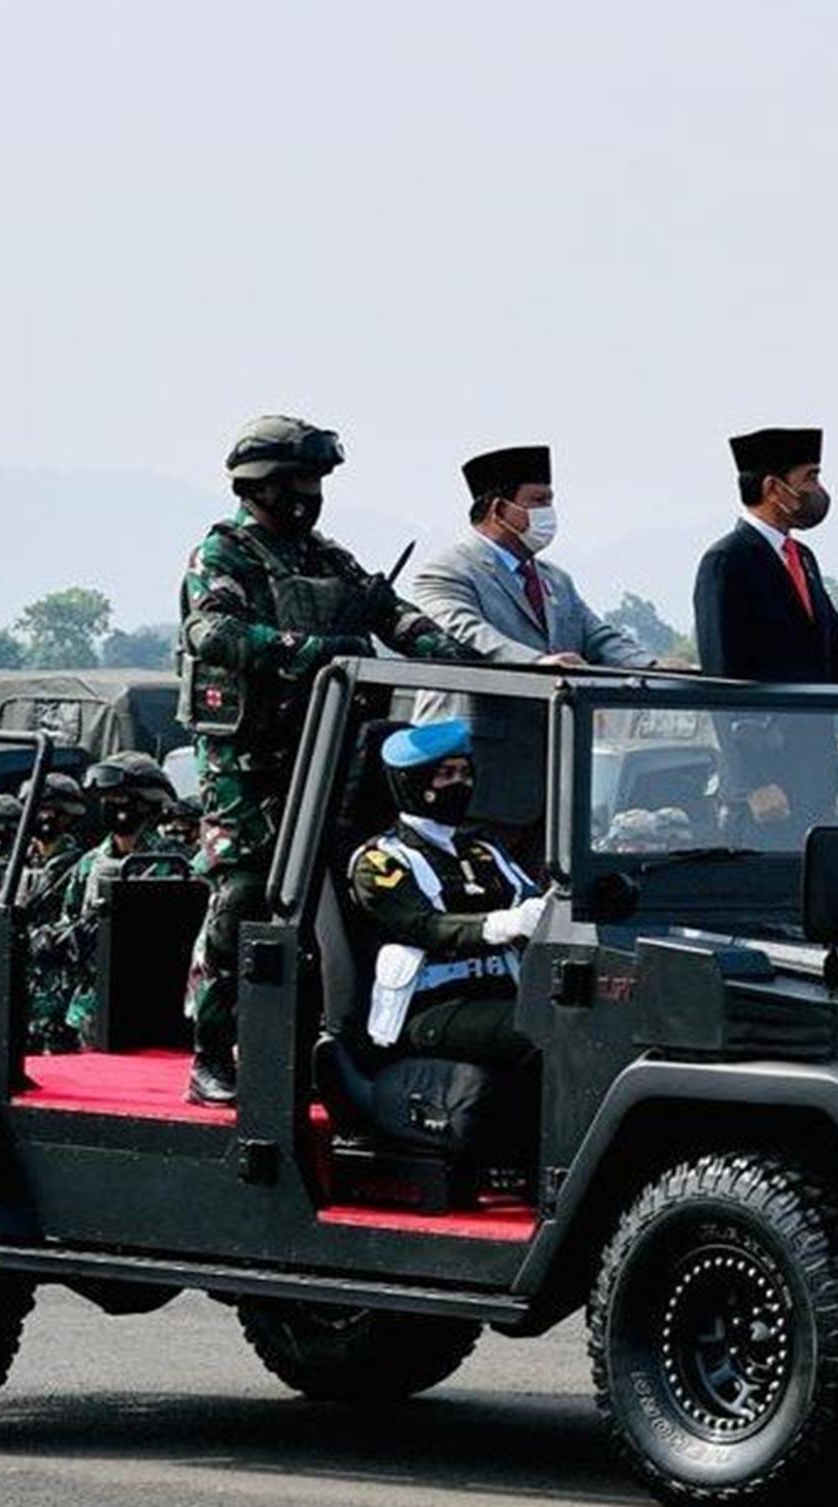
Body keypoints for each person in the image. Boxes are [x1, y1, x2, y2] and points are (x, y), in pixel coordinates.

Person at [177, 414, 475, 1106]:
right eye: (297, 481)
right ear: (261, 485)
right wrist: (318, 652)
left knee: (341, 894)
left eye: (316, 482)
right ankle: (210, 1050)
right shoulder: (225, 555)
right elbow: (212, 630)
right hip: (245, 763)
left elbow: (393, 615)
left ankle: (325, 1040)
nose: (309, 495)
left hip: (324, 752)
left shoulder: (325, 557)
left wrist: (454, 657)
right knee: (243, 895)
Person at [345, 720, 544, 1064]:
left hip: (501, 992)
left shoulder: (481, 847)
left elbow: (530, 899)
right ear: (413, 783)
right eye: (446, 774)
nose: (460, 784)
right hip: (428, 1006)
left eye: (465, 773)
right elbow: (424, 926)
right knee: (542, 1032)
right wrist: (503, 924)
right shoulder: (380, 861)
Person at [404, 444, 659, 669]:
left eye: (550, 502)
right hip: (470, 721)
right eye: (538, 501)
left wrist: (651, 665)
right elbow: (468, 634)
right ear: (499, 510)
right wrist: (537, 663)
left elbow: (598, 638)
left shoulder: (557, 580)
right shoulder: (447, 572)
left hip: (548, 721)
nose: (548, 512)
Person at [693, 427, 838, 686]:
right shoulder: (727, 560)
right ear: (773, 488)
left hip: (817, 720)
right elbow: (723, 669)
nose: (818, 489)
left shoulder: (803, 558)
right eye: (810, 478)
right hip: (768, 722)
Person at [52, 755, 193, 1047]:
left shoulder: (178, 863)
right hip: (91, 1007)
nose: (112, 806)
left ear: (146, 803)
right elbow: (69, 918)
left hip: (153, 1006)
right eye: (107, 799)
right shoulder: (89, 863)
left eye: (120, 798)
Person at [19, 774, 93, 1055]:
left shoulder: (79, 865)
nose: (42, 818)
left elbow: (82, 923)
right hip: (21, 983)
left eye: (50, 811)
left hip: (58, 987)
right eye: (37, 810)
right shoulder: (16, 863)